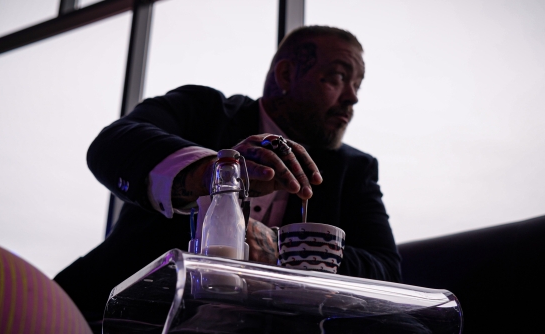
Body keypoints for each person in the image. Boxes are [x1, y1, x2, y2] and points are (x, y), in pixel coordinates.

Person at [54, 25, 400, 319]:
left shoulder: (354, 170)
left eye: (357, 85)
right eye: (338, 77)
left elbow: (386, 270)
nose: (352, 98)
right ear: (285, 75)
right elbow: (112, 144)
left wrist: (284, 252)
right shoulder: (203, 110)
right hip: (114, 320)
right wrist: (211, 172)